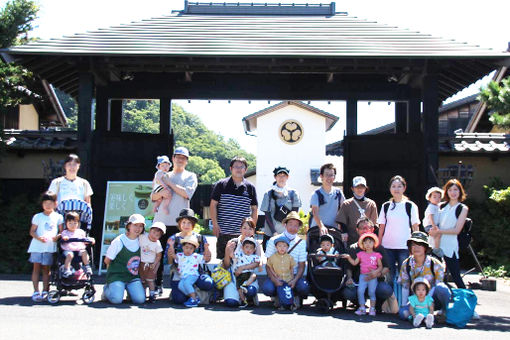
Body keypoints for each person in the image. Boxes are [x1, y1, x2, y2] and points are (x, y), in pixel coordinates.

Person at [152, 146, 198, 295]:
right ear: (172, 159)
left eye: (183, 157)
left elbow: (186, 193)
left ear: (187, 161)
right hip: (161, 221)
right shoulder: (162, 173)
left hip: (180, 224)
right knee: (157, 255)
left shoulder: (190, 176)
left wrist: (170, 183)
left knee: (179, 257)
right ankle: (156, 284)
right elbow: (152, 196)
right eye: (177, 156)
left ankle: (177, 286)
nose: (180, 159)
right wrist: (161, 194)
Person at [340, 217, 393, 312]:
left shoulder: (379, 248)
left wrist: (378, 273)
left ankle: (377, 305)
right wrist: (349, 278)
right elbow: (349, 267)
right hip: (359, 281)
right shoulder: (353, 248)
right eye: (361, 228)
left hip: (376, 280)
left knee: (385, 290)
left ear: (372, 230)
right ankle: (359, 304)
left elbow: (387, 267)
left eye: (367, 228)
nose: (365, 230)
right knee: (348, 292)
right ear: (357, 230)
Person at [210, 156, 258, 259]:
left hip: (243, 235)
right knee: (224, 263)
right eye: (236, 166)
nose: (239, 169)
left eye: (242, 167)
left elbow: (254, 209)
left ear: (245, 170)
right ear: (231, 168)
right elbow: (213, 205)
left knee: (244, 261)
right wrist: (214, 224)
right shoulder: (221, 185)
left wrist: (251, 228)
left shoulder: (250, 187)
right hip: (224, 232)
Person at [398, 231, 450, 320]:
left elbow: (438, 284)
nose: (416, 248)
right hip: (415, 301)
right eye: (413, 245)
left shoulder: (435, 264)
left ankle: (444, 311)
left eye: (420, 245)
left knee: (442, 288)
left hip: (432, 299)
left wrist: (426, 302)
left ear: (425, 248)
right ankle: (419, 317)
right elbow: (405, 286)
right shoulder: (406, 264)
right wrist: (404, 305)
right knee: (403, 314)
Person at [377, 175, 420, 282]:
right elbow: (381, 227)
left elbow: (415, 227)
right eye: (394, 186)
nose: (396, 189)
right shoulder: (386, 206)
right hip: (387, 247)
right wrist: (379, 244)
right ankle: (391, 298)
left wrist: (416, 245)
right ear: (390, 188)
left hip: (404, 247)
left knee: (405, 276)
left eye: (399, 186)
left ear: (404, 188)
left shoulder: (410, 206)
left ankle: (405, 299)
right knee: (389, 277)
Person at [263, 211, 309, 308]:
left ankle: (294, 295)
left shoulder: (301, 243)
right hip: (277, 276)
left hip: (293, 276)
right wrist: (274, 279)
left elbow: (302, 266)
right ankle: (277, 295)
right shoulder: (273, 240)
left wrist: (295, 280)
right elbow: (268, 264)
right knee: (268, 288)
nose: (293, 228)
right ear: (285, 225)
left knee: (304, 287)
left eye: (296, 225)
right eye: (290, 224)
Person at [166, 208, 212, 304]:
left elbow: (207, 259)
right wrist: (171, 252)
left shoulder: (200, 238)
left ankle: (194, 296)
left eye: (189, 223)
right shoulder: (174, 239)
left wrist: (207, 250)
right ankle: (193, 295)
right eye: (183, 222)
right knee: (179, 299)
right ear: (179, 224)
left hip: (196, 272)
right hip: (180, 273)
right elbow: (170, 262)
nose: (186, 225)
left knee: (208, 284)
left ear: (193, 225)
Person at [429, 179, 469, 289]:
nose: (453, 192)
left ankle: (465, 300)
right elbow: (430, 219)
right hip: (436, 244)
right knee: (434, 276)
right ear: (446, 192)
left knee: (456, 276)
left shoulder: (462, 208)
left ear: (460, 191)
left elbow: (457, 230)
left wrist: (439, 231)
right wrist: (431, 230)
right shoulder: (440, 206)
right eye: (450, 190)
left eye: (455, 189)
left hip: (450, 246)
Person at [27, 191, 63, 302]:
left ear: (55, 204)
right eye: (45, 203)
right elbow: (32, 232)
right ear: (42, 204)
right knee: (36, 268)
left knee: (46, 269)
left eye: (50, 203)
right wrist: (39, 238)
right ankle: (36, 291)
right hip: (37, 246)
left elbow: (62, 232)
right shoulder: (37, 216)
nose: (48, 205)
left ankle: (45, 291)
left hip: (49, 247)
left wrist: (57, 237)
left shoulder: (58, 217)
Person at [103, 214, 145, 304]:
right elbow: (107, 260)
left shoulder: (142, 241)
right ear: (129, 225)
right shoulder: (119, 241)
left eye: (140, 226)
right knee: (117, 300)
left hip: (132, 277)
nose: (138, 228)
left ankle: (128, 291)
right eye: (135, 225)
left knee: (140, 300)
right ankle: (107, 289)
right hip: (117, 276)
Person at [223, 217, 264, 307]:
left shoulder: (256, 244)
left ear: (253, 230)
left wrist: (242, 268)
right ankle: (238, 297)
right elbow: (226, 265)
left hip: (248, 276)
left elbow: (257, 262)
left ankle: (249, 297)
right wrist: (227, 251)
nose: (247, 231)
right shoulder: (233, 242)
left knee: (250, 291)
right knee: (231, 303)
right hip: (234, 277)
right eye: (244, 228)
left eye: (250, 229)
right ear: (240, 229)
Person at [260, 166, 301, 250]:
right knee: (271, 260)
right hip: (271, 233)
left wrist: (288, 232)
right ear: (275, 177)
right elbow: (267, 215)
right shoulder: (268, 193)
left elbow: (294, 215)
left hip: (288, 234)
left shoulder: (294, 193)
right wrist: (274, 232)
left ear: (288, 177)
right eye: (279, 175)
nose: (281, 178)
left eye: (284, 175)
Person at [341, 233, 383, 316]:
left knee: (372, 292)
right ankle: (362, 308)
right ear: (362, 244)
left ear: (374, 244)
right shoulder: (360, 254)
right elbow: (354, 263)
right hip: (363, 276)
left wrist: (376, 272)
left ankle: (372, 308)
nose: (368, 244)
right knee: (360, 291)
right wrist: (349, 257)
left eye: (370, 242)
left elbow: (380, 266)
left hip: (372, 277)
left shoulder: (376, 255)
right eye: (365, 242)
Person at [336, 176, 378, 245]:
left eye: (362, 187)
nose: (360, 189)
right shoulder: (347, 204)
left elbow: (374, 224)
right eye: (357, 187)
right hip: (351, 239)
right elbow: (342, 221)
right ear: (352, 188)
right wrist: (344, 233)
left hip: (367, 240)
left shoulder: (371, 204)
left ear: (365, 188)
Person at [168, 235, 205, 308]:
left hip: (193, 275)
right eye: (186, 248)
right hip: (183, 276)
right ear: (183, 247)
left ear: (194, 249)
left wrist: (206, 247)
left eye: (191, 248)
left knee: (187, 283)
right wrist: (171, 245)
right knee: (180, 286)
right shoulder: (180, 255)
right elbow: (172, 255)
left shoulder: (196, 256)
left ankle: (194, 300)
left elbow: (206, 258)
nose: (188, 250)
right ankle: (194, 297)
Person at [310, 163, 345, 236]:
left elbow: (344, 210)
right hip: (317, 231)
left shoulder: (338, 193)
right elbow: (315, 213)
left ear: (334, 177)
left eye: (331, 175)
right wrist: (321, 227)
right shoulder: (316, 194)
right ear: (321, 176)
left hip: (333, 231)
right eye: (326, 175)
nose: (329, 178)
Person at [266, 236, 297, 310]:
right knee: (280, 291)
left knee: (288, 291)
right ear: (276, 247)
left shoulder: (290, 257)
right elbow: (269, 266)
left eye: (284, 246)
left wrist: (292, 278)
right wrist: (274, 275)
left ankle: (291, 303)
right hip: (278, 279)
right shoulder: (273, 257)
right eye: (279, 246)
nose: (282, 248)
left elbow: (291, 268)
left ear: (287, 247)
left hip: (288, 278)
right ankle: (280, 303)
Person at [61, 212, 94, 277]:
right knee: (70, 254)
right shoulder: (65, 232)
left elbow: (85, 240)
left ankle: (87, 266)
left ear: (78, 224)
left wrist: (90, 240)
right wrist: (65, 238)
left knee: (84, 252)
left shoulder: (81, 232)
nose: (72, 225)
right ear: (66, 224)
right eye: (70, 223)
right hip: (68, 250)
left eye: (75, 223)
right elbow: (63, 237)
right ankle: (66, 269)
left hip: (79, 250)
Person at [139, 222, 165, 303]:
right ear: (149, 231)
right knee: (142, 280)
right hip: (141, 263)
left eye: (157, 235)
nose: (154, 236)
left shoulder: (157, 244)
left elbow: (158, 256)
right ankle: (142, 294)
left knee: (150, 280)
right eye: (153, 233)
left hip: (151, 264)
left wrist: (155, 263)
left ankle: (152, 294)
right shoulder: (143, 237)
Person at [232, 237, 260, 307]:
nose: (249, 250)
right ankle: (243, 300)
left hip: (248, 273)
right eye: (247, 247)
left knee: (254, 275)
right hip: (240, 274)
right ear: (242, 247)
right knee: (238, 287)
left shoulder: (253, 256)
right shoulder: (240, 254)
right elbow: (232, 256)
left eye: (251, 248)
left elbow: (258, 263)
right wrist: (230, 249)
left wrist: (259, 266)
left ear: (254, 250)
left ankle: (246, 285)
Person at [423, 186, 444, 258]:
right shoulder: (431, 207)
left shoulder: (437, 206)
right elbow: (430, 217)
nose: (437, 199)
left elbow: (442, 204)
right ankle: (436, 249)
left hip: (434, 225)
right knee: (437, 234)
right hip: (430, 225)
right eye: (434, 197)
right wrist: (434, 226)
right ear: (429, 198)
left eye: (439, 197)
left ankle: (432, 248)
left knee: (435, 237)